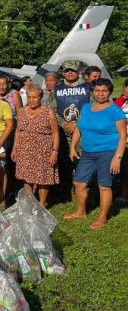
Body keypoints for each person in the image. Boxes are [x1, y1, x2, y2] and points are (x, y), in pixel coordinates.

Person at [64, 78, 126, 229]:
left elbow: (123, 136)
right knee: (79, 183)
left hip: (107, 152)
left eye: (104, 90)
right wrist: (72, 147)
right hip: (87, 152)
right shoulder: (86, 107)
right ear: (92, 92)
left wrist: (117, 158)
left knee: (104, 185)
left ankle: (103, 217)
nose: (100, 93)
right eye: (97, 90)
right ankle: (81, 212)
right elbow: (79, 128)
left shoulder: (115, 112)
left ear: (109, 92)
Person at [49, 60, 91, 200]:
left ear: (79, 72)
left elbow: (93, 109)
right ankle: (66, 189)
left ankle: (83, 188)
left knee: (83, 160)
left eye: (73, 70)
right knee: (65, 161)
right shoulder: (56, 89)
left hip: (83, 132)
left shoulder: (88, 88)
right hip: (63, 131)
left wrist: (77, 125)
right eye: (67, 70)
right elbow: (52, 111)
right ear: (63, 72)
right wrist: (65, 124)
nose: (70, 72)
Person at [11, 85, 60, 207]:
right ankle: (30, 201)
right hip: (25, 148)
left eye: (35, 97)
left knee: (43, 177)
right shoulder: (21, 111)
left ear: (41, 98)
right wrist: (14, 148)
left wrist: (55, 151)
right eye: (29, 97)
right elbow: (18, 131)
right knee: (26, 176)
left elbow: (55, 133)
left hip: (43, 149)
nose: (31, 100)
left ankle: (42, 205)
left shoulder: (48, 112)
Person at [114, 79, 128, 203]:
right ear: (123, 88)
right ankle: (124, 196)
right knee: (124, 170)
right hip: (122, 141)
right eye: (127, 87)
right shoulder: (119, 103)